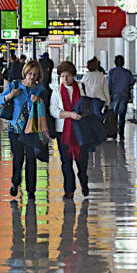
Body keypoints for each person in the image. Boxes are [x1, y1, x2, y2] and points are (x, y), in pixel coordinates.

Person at [0, 60, 48, 200]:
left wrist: (39, 100)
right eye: (30, 73)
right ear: (25, 72)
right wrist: (10, 95)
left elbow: (45, 109)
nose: (31, 77)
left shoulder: (40, 90)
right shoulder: (15, 85)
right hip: (15, 129)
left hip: (32, 129)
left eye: (35, 75)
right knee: (18, 157)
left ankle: (31, 190)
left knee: (31, 159)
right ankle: (15, 182)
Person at [51, 61, 90, 199]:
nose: (65, 79)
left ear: (73, 75)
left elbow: (88, 104)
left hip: (81, 130)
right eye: (62, 76)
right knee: (66, 161)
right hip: (63, 131)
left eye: (67, 75)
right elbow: (54, 110)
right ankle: (69, 189)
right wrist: (70, 114)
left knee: (82, 160)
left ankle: (83, 180)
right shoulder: (56, 91)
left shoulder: (81, 87)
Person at [107, 55, 135, 141]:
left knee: (114, 114)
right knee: (122, 115)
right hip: (124, 95)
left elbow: (109, 84)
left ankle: (114, 133)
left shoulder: (111, 72)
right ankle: (121, 133)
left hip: (114, 95)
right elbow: (132, 82)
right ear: (123, 62)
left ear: (115, 62)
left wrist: (109, 95)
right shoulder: (127, 73)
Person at [80, 57, 110, 132]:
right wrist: (108, 102)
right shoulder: (101, 76)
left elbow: (81, 88)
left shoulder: (85, 76)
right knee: (97, 115)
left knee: (89, 115)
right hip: (99, 99)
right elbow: (105, 90)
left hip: (87, 99)